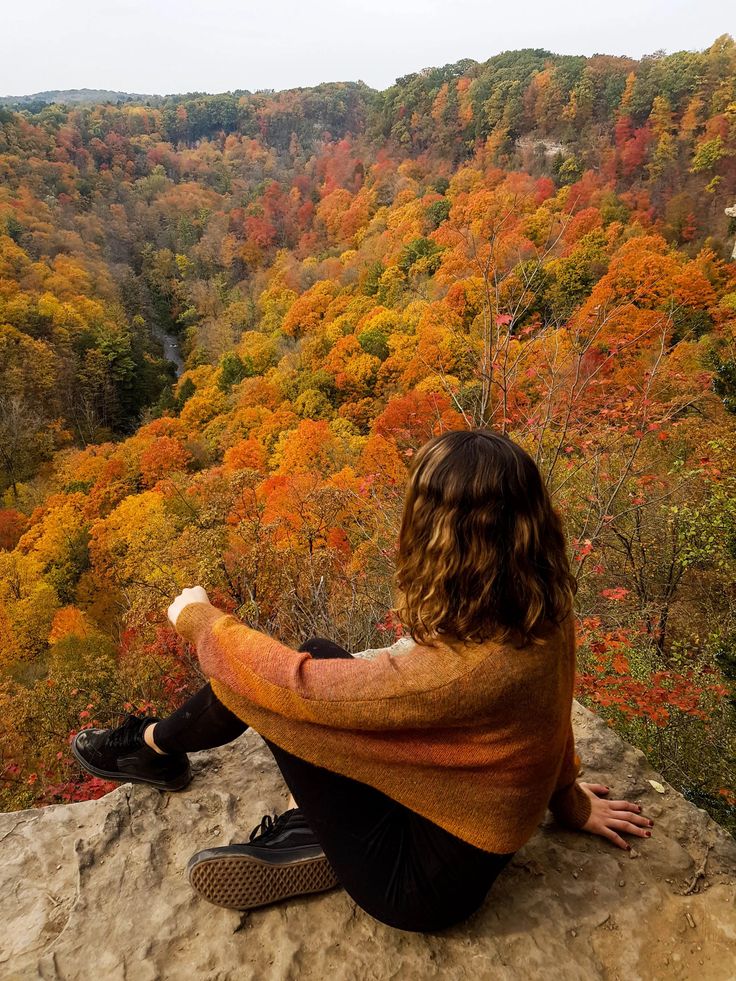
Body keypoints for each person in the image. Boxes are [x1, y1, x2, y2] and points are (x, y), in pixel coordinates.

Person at [72, 428, 653, 933]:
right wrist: (569, 803)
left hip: (416, 886)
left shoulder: (462, 671)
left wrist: (203, 623)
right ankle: (169, 755)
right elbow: (550, 717)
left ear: (437, 534)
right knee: (318, 653)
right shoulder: (542, 610)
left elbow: (293, 687)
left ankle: (159, 752)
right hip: (450, 814)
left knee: (261, 684)